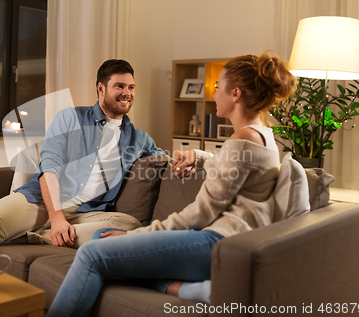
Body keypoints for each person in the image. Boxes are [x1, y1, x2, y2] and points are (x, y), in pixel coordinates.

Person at [46, 52, 296, 317]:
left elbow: (200, 213)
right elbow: (229, 164)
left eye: (217, 87)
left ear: (235, 94)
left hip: (218, 243)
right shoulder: (261, 135)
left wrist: (134, 235)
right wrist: (198, 157)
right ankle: (188, 290)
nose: (213, 94)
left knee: (92, 254)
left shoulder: (243, 139)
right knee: (100, 237)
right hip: (219, 241)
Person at [0, 59, 165, 250]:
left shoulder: (139, 138)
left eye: (131, 87)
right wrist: (56, 218)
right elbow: (49, 167)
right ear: (101, 88)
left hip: (87, 212)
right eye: (119, 86)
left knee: (129, 225)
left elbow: (167, 160)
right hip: (41, 203)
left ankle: (37, 236)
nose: (127, 93)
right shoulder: (70, 118)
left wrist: (195, 158)